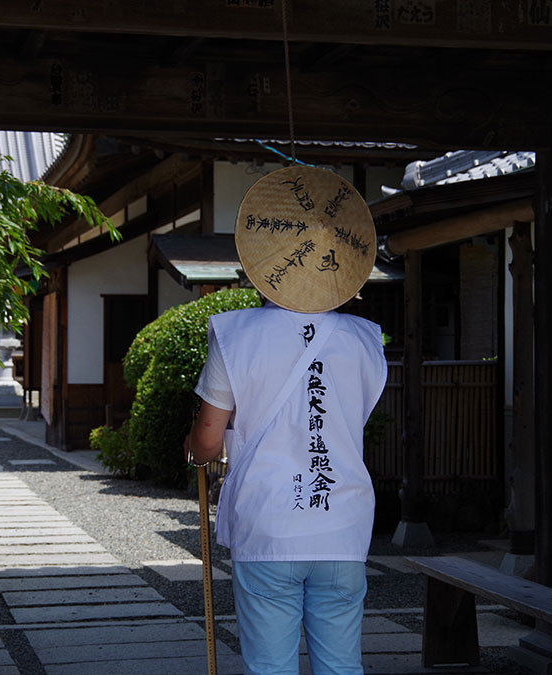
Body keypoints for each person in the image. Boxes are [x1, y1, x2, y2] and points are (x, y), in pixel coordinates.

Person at [183, 166, 387, 674]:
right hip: (343, 525)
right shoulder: (365, 339)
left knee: (270, 667)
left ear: (264, 263)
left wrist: (193, 444)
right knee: (341, 666)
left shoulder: (236, 334)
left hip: (270, 524)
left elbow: (208, 443)